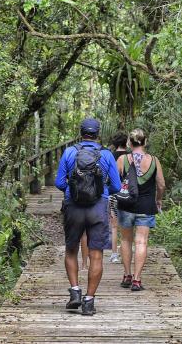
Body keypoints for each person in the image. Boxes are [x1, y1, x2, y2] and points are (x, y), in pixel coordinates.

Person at [55, 118, 121, 315]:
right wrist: (100, 191)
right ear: (98, 134)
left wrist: (74, 189)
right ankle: (89, 301)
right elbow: (116, 187)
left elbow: (59, 183)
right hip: (98, 208)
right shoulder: (107, 155)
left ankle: (75, 291)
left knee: (71, 249)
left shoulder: (69, 152)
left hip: (73, 207)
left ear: (81, 132)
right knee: (96, 254)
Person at [116, 128, 165, 292]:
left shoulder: (123, 159)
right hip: (146, 206)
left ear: (129, 143)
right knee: (141, 242)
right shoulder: (154, 161)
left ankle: (127, 275)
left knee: (125, 240)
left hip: (126, 206)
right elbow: (161, 184)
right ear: (145, 142)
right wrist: (158, 199)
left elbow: (115, 183)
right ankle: (137, 280)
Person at [107, 131, 128, 264]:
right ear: (127, 142)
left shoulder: (110, 156)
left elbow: (108, 176)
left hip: (113, 194)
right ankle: (125, 252)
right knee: (127, 226)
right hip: (129, 194)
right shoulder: (132, 157)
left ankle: (114, 255)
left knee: (114, 226)